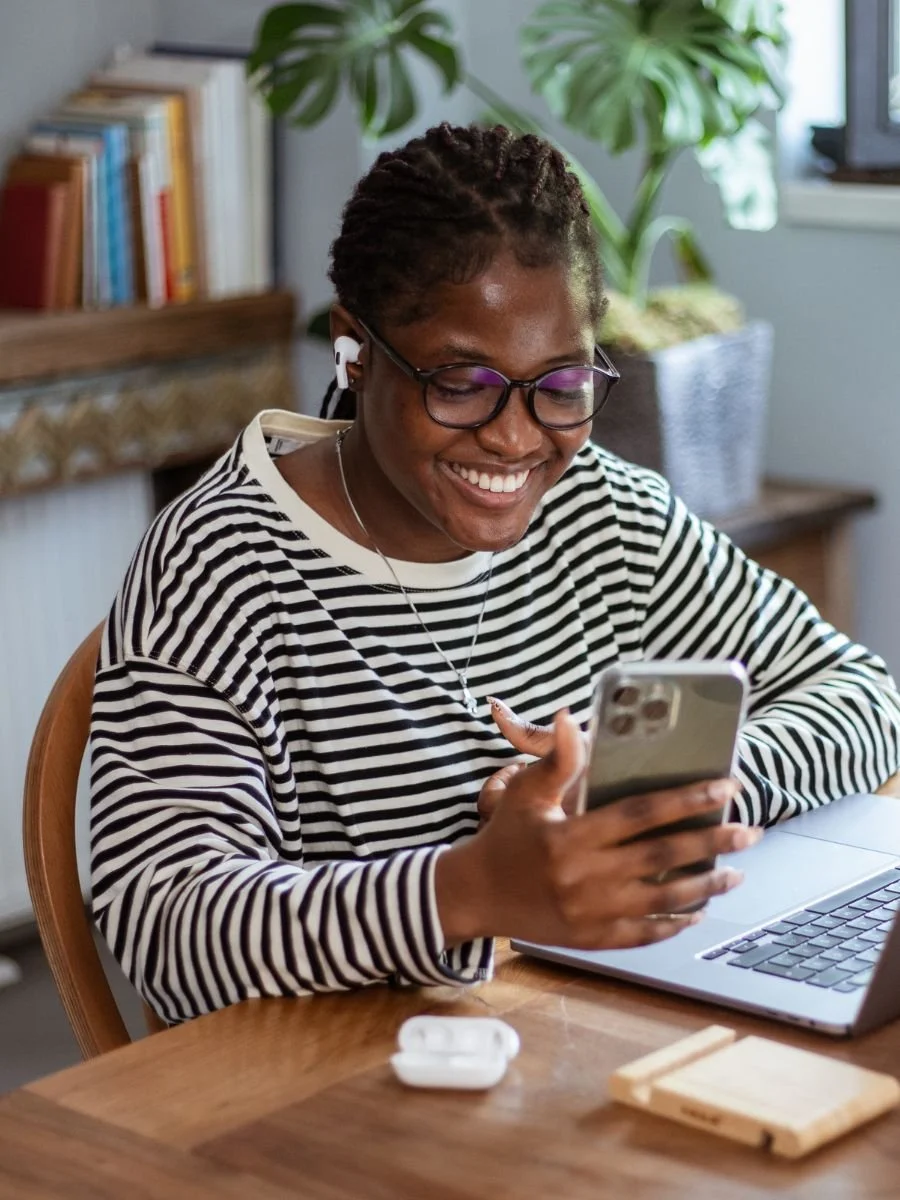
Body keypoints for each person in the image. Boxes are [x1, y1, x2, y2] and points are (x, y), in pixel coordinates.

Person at [90, 124, 900, 1025]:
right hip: (331, 1096)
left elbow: (861, 694)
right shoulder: (223, 563)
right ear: (353, 351)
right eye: (461, 383)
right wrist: (469, 889)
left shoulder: (601, 512)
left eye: (559, 385)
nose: (516, 439)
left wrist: (656, 804)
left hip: (549, 1046)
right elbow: (163, 924)